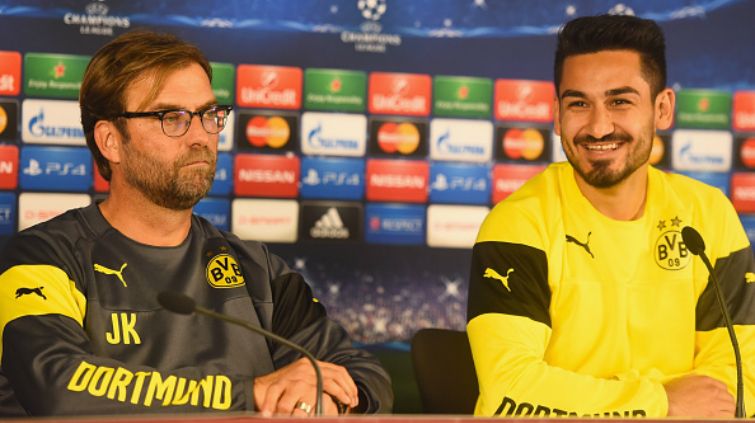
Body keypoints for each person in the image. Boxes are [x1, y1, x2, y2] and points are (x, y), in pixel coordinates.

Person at [0, 30, 392, 416]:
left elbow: (364, 376)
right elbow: (58, 386)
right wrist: (250, 394)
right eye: (172, 118)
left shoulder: (255, 268)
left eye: (209, 115)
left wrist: (324, 400)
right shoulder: (40, 259)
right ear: (110, 141)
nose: (201, 137)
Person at [467, 14, 755, 418]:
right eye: (579, 104)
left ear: (662, 108)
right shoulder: (518, 223)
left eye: (620, 101)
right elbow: (508, 391)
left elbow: (741, 377)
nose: (599, 127)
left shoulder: (707, 215)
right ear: (556, 115)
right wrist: (661, 403)